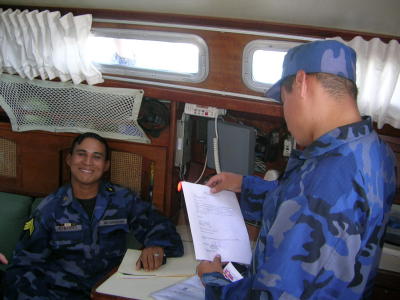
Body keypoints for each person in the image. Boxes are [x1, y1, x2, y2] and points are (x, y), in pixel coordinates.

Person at [196, 40, 397, 299]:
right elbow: (298, 203)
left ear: (301, 83)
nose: (284, 115)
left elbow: (275, 295)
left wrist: (212, 278)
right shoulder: (372, 149)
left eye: (283, 100)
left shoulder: (330, 179)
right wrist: (243, 185)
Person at [4, 132, 183, 299]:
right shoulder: (50, 208)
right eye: (81, 154)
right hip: (60, 293)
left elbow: (160, 224)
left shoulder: (122, 199)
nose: (88, 162)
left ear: (106, 166)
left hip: (108, 292)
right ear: (69, 159)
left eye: (96, 157)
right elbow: (23, 264)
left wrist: (156, 245)